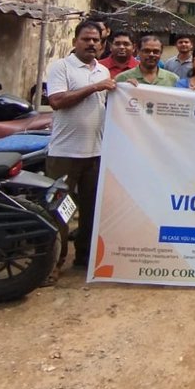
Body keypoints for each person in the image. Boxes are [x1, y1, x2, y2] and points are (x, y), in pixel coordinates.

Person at [45, 21, 117, 269]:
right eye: (86, 39)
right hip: (64, 154)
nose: (92, 44)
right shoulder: (61, 67)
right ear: (75, 41)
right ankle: (53, 264)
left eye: (96, 40)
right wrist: (95, 87)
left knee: (91, 211)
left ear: (102, 44)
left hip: (95, 154)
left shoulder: (103, 72)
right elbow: (56, 101)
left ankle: (84, 258)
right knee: (58, 211)